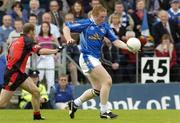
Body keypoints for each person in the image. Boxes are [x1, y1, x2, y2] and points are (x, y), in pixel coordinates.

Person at [63, 5, 137, 119]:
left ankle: (75, 104)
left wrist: (128, 47)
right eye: (101, 17)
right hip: (87, 57)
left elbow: (115, 41)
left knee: (97, 89)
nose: (103, 19)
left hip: (94, 59)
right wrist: (68, 37)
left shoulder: (104, 26)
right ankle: (104, 111)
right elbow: (66, 27)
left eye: (105, 17)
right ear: (94, 15)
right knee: (107, 81)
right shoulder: (86, 23)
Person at [0, 23, 63, 120]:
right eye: (34, 31)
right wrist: (56, 50)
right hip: (13, 75)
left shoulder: (15, 41)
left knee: (36, 92)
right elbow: (40, 51)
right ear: (31, 31)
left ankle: (37, 116)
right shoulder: (28, 41)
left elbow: (9, 56)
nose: (35, 33)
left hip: (19, 73)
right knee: (2, 103)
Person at [36, 22, 59, 94]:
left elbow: (59, 47)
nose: (45, 28)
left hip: (50, 57)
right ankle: (38, 92)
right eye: (43, 27)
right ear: (41, 28)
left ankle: (49, 94)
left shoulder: (53, 36)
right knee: (39, 76)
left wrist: (56, 54)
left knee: (50, 77)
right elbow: (34, 47)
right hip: (40, 58)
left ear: (49, 28)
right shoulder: (37, 37)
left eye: (46, 27)